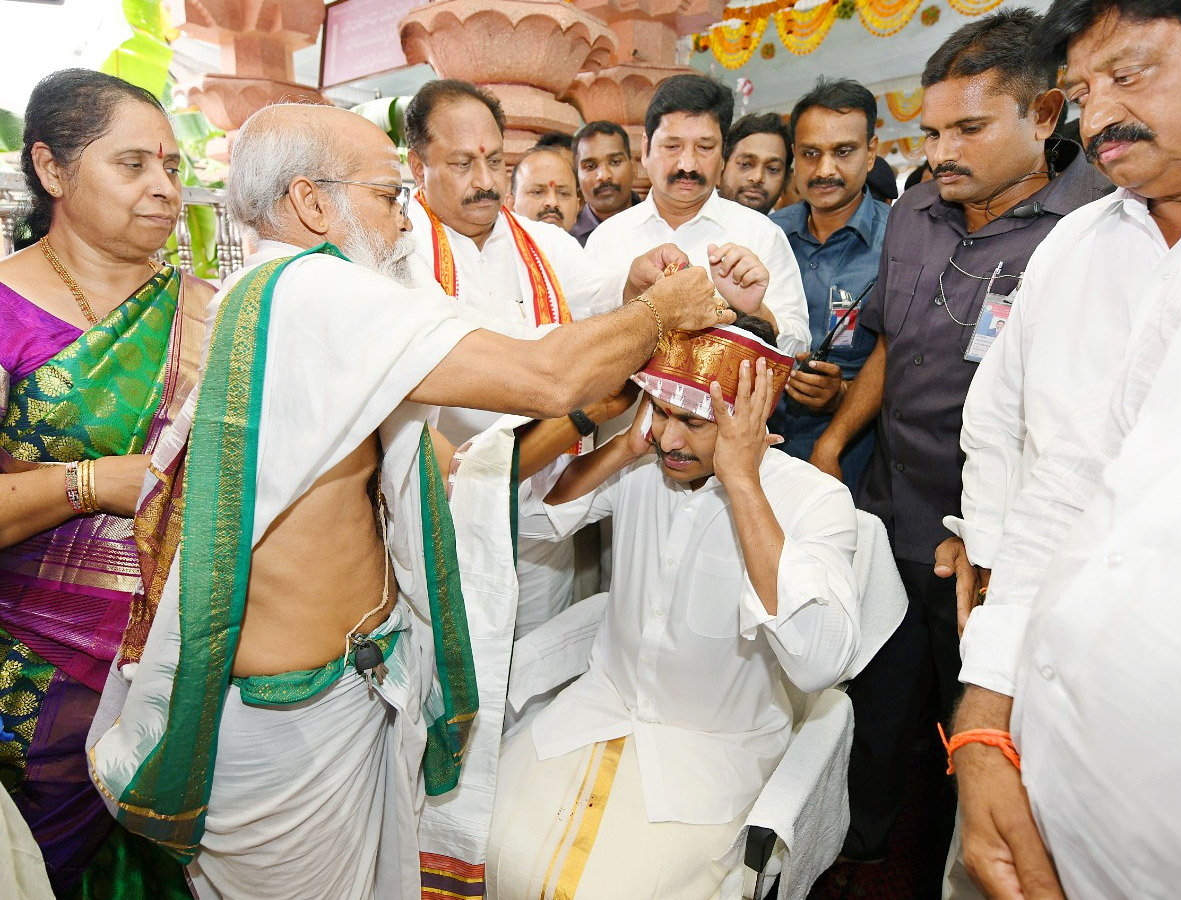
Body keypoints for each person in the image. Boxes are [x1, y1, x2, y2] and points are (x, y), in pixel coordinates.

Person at [86, 101, 731, 900]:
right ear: (310, 203)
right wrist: (659, 315)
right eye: (391, 196)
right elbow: (547, 375)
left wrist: (597, 423)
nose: (404, 224)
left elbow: (451, 463)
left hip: (342, 687)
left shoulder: (272, 295)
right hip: (294, 719)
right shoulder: (314, 291)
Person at [807, 9, 1110, 889]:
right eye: (932, 130)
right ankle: (855, 854)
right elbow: (894, 345)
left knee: (979, 730)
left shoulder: (1090, 232)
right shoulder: (913, 216)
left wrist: (1004, 543)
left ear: (1046, 113)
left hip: (999, 555)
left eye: (969, 128)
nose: (941, 151)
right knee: (876, 707)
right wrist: (833, 444)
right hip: (893, 516)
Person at [941, 2, 1181, 898]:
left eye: (1131, 75)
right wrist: (987, 558)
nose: (1102, 118)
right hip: (1030, 681)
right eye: (1086, 92)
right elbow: (1018, 436)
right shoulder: (1076, 247)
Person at [487, 318, 860, 900]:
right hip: (595, 717)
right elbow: (529, 519)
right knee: (492, 855)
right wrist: (625, 445)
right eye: (660, 411)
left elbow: (820, 663)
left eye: (695, 421)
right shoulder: (643, 464)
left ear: (753, 418)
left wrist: (742, 483)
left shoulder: (815, 499)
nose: (670, 440)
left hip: (711, 754)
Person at [0, 69, 211, 900]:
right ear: (52, 170)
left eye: (170, 163)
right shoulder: (8, 312)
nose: (164, 186)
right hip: (35, 696)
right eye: (133, 165)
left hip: (180, 680)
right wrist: (93, 482)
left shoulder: (213, 311)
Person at [404, 80, 628, 637]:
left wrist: (645, 282)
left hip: (541, 515)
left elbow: (608, 302)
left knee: (531, 672)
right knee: (452, 670)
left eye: (495, 161)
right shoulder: (396, 252)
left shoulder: (544, 243)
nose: (485, 182)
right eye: (461, 164)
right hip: (445, 514)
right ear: (416, 165)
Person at [586, 74, 811, 357]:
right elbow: (575, 337)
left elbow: (800, 346)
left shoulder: (761, 234)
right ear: (645, 149)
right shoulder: (606, 238)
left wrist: (755, 311)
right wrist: (626, 293)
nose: (688, 164)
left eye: (704, 147)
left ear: (723, 154)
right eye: (672, 146)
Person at [767, 78, 890, 494]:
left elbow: (907, 359)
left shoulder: (899, 243)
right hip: (762, 453)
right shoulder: (767, 236)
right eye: (810, 154)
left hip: (853, 461)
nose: (824, 170)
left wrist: (842, 393)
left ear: (871, 152)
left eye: (843, 152)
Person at [570, 121, 639, 247]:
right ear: (576, 176)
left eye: (615, 162)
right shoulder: (567, 240)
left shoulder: (661, 223)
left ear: (634, 167)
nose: (604, 175)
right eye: (590, 166)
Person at [717, 112, 792, 214]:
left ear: (785, 180)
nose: (757, 177)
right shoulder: (690, 222)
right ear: (720, 168)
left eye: (772, 169)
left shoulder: (782, 229)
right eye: (745, 164)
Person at [505, 146, 582, 232]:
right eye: (537, 192)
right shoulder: (494, 245)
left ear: (577, 208)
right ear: (511, 206)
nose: (553, 202)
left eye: (563, 193)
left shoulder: (593, 244)